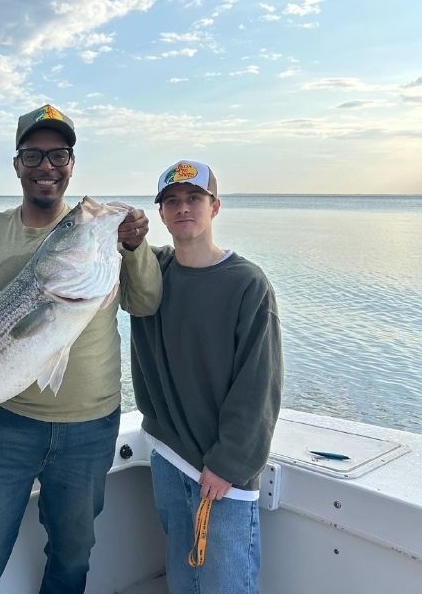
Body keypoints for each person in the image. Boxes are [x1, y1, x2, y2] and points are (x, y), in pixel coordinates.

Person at [0, 104, 161, 593]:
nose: (47, 167)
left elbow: (146, 303)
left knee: (72, 557)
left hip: (89, 427)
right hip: (0, 423)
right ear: (16, 164)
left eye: (59, 155)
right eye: (34, 155)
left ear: (72, 163)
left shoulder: (104, 240)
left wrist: (134, 247)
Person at [126, 160, 283, 593]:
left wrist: (228, 463)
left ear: (214, 207)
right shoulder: (150, 274)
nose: (183, 209)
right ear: (160, 214)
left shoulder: (247, 283)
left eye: (194, 198)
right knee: (183, 579)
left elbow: (259, 383)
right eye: (171, 201)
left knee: (224, 584)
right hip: (167, 456)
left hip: (219, 473)